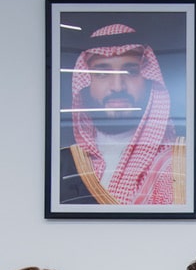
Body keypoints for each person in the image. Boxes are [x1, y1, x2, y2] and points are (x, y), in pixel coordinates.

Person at [58, 23, 187, 207]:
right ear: (87, 82)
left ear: (149, 80)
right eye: (102, 73)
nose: (118, 86)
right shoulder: (64, 163)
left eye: (131, 72)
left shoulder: (179, 162)